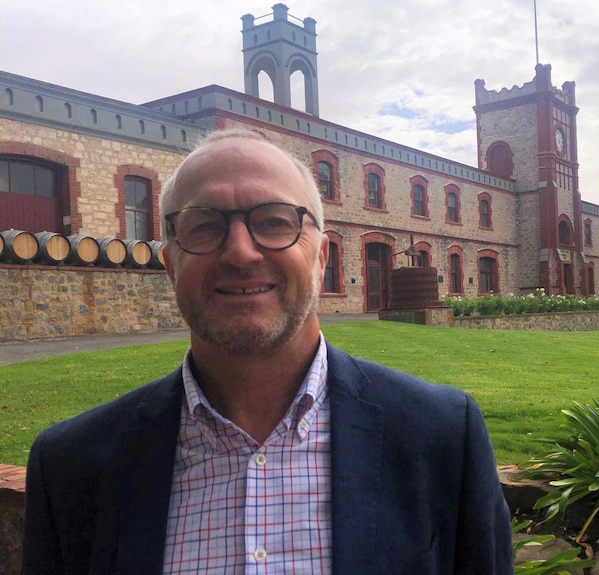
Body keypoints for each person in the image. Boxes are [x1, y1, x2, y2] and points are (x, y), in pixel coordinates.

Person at [22, 129, 513, 574]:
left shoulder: (443, 437)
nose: (240, 252)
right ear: (170, 265)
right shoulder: (72, 465)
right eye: (204, 226)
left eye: (275, 222)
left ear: (321, 259)